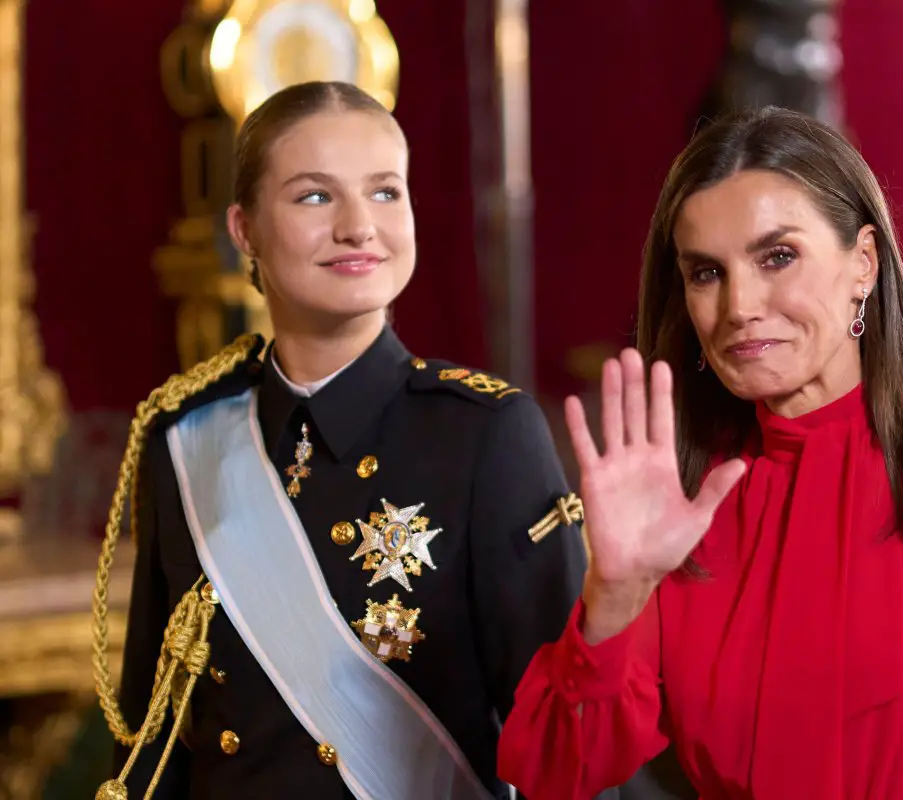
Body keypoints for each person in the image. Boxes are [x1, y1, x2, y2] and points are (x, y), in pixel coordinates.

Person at [497, 107, 903, 799]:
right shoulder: (688, 506)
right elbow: (553, 773)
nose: (740, 304)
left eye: (777, 256)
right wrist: (615, 597)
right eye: (706, 273)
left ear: (862, 264)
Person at [90, 80, 587, 800]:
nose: (360, 227)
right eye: (315, 196)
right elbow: (151, 743)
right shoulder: (187, 436)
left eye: (386, 192)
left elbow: (564, 742)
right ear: (244, 230)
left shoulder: (485, 434)